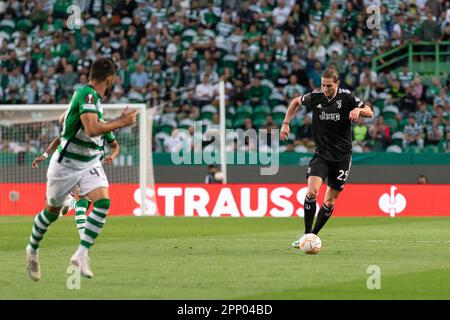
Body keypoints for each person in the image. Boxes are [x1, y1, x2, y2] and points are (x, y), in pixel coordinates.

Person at [25, 57, 136, 281]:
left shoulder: (90, 99)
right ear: (110, 78)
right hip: (65, 165)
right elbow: (93, 129)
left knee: (103, 202)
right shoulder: (87, 95)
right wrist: (121, 123)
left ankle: (80, 255)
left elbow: (78, 122)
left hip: (89, 162)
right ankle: (32, 249)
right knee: (51, 213)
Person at [280, 67, 373, 247]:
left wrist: (358, 111)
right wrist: (285, 123)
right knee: (312, 192)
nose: (325, 89)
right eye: (323, 85)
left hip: (342, 157)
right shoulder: (316, 97)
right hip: (321, 154)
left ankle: (314, 235)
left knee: (329, 201)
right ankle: (306, 235)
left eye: (329, 86)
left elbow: (370, 111)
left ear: (337, 84)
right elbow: (295, 102)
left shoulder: (347, 98)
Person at [32, 126, 120, 238]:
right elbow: (58, 140)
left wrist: (112, 157)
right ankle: (84, 240)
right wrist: (44, 155)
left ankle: (68, 202)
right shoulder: (76, 125)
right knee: (81, 200)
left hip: (94, 170)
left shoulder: (103, 128)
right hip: (73, 167)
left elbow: (115, 147)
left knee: (84, 205)